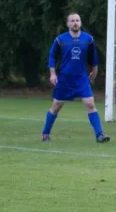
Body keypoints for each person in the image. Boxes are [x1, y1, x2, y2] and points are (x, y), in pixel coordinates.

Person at [41, 13, 110, 143]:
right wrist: (53, 74)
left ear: (80, 23)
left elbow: (93, 58)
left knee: (90, 104)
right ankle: (45, 134)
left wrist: (94, 71)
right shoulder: (60, 39)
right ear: (67, 24)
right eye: (72, 21)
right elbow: (52, 56)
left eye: (77, 20)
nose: (75, 23)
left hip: (81, 79)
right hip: (65, 79)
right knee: (56, 106)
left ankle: (99, 135)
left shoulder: (88, 39)